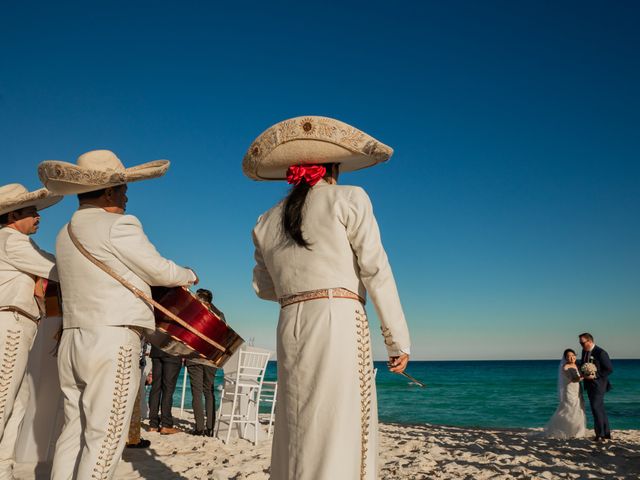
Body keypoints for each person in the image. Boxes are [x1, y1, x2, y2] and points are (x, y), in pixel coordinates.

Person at [244, 116, 411, 480]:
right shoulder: (349, 198)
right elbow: (376, 270)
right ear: (333, 168)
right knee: (340, 424)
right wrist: (396, 339)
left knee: (297, 423)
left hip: (289, 321)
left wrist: (298, 291)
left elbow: (263, 288)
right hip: (338, 317)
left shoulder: (264, 220)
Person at [38, 149, 198, 479]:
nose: (127, 197)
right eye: (124, 189)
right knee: (106, 437)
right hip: (112, 339)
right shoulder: (119, 224)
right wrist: (189, 274)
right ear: (109, 191)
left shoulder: (64, 233)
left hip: (73, 339)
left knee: (73, 431)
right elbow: (159, 271)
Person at [0, 183, 62, 479]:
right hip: (10, 323)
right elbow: (56, 268)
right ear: (13, 215)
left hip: (18, 323)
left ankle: (4, 467)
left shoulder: (17, 241)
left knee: (16, 400)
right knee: (4, 400)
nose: (39, 218)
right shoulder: (11, 240)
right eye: (32, 212)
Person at [185, 288, 222, 436]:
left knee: (198, 392)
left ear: (203, 301)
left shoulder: (193, 314)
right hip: (210, 358)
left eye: (196, 299)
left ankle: (200, 428)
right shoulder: (220, 315)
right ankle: (209, 427)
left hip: (195, 356)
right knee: (208, 392)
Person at [543, 348, 587, 439]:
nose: (571, 358)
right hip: (570, 391)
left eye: (573, 355)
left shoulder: (577, 365)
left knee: (580, 408)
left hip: (578, 390)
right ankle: (566, 429)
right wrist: (585, 376)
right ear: (566, 358)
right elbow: (573, 379)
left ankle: (578, 431)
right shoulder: (565, 367)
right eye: (569, 356)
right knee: (570, 410)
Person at [579, 332, 613, 442]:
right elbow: (584, 364)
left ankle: (600, 434)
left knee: (595, 408)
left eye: (582, 343)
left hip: (598, 385)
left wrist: (594, 375)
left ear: (590, 341)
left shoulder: (601, 353)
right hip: (589, 385)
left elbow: (609, 369)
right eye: (580, 343)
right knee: (600, 409)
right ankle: (606, 433)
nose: (581, 345)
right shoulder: (584, 351)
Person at [147, 345, 182, 434]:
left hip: (157, 350)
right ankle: (166, 425)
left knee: (155, 388)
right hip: (172, 351)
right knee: (168, 390)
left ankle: (153, 425)